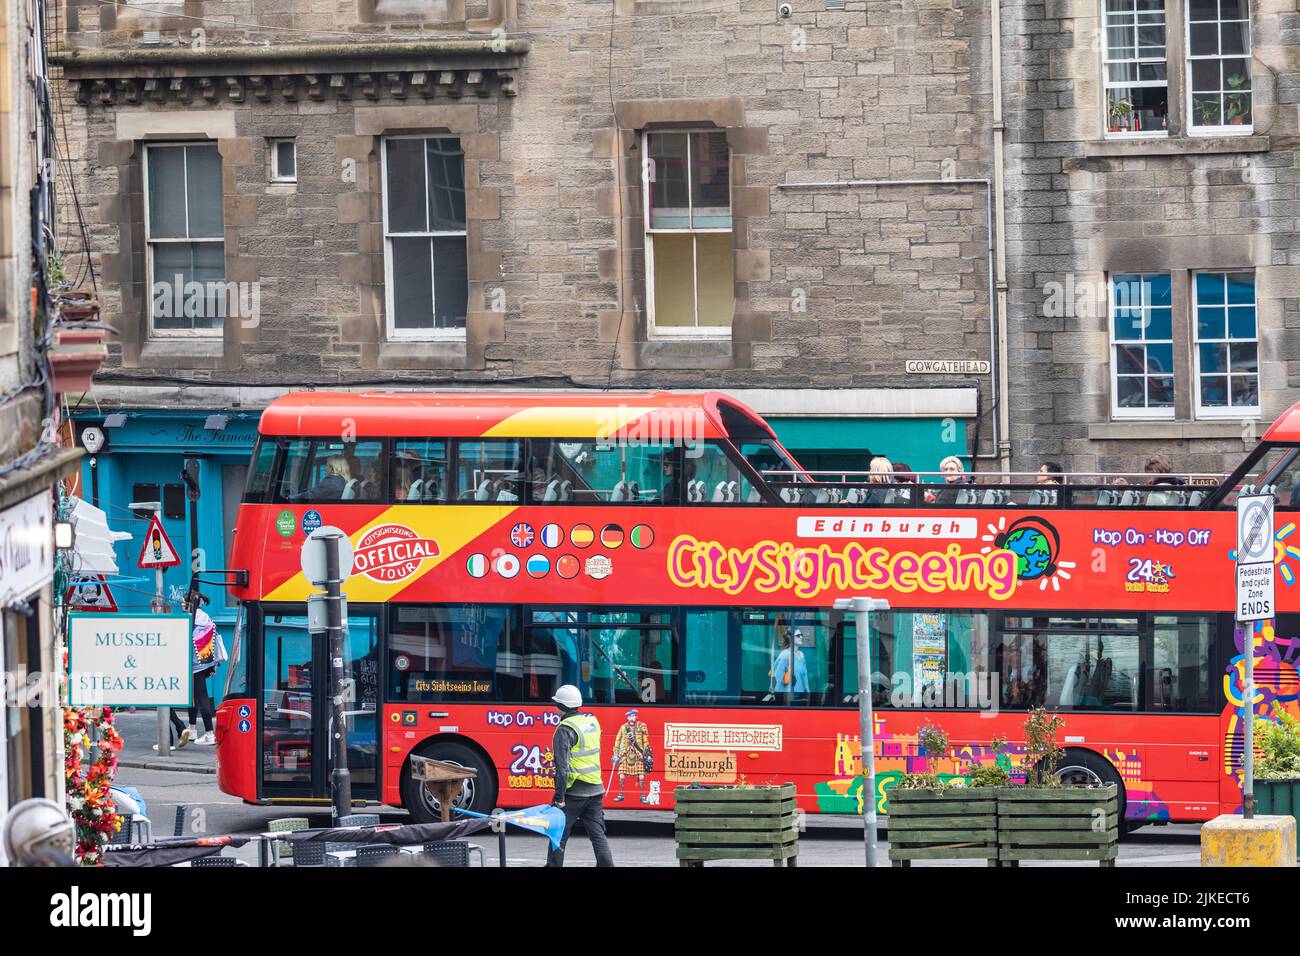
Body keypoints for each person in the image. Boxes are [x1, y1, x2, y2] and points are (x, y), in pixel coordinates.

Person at [546, 684, 614, 867]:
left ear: (560, 706)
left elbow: (562, 769)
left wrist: (559, 797)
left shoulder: (564, 729)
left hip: (575, 792)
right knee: (598, 835)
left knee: (558, 832)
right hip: (596, 789)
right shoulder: (591, 722)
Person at [610, 709, 653, 804]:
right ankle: (621, 795)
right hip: (625, 754)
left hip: (638, 754)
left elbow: (645, 741)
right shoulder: (623, 728)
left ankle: (642, 796)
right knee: (621, 775)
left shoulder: (641, 726)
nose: (631, 718)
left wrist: (646, 753)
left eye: (633, 716)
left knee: (641, 777)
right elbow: (617, 741)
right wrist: (615, 754)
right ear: (627, 717)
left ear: (636, 717)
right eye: (629, 716)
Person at [769, 630, 809, 700]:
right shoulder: (785, 655)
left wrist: (807, 693)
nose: (801, 637)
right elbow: (777, 677)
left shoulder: (801, 655)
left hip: (800, 696)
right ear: (791, 638)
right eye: (798, 635)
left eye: (801, 635)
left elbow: (805, 677)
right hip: (788, 698)